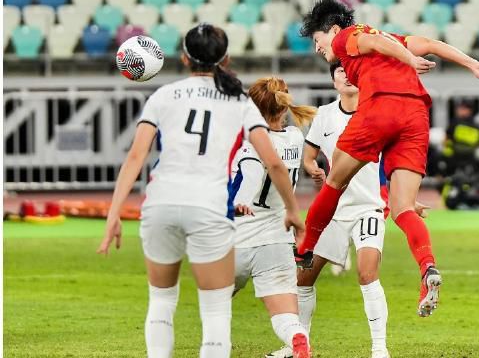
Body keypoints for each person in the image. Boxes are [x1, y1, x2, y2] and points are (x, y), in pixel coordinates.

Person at [97, 23, 304, 358]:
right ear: (226, 58)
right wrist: (293, 210)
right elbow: (275, 164)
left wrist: (114, 213)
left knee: (162, 301)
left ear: (183, 58)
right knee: (215, 310)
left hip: (161, 203)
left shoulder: (163, 96)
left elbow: (135, 157)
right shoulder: (238, 100)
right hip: (208, 206)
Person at [295, 0, 479, 317]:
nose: (318, 47)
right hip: (416, 116)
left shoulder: (348, 37)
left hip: (381, 107)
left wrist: (408, 59)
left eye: (317, 39)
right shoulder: (396, 37)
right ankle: (428, 267)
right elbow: (431, 43)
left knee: (335, 179)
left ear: (332, 29)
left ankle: (305, 249)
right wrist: (473, 64)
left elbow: (373, 41)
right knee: (403, 208)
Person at [270, 62, 391, 358]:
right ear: (333, 81)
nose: (346, 75)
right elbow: (309, 157)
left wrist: (405, 198)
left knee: (367, 273)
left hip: (368, 208)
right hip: (333, 211)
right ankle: (298, 345)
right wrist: (313, 170)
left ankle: (379, 348)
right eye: (340, 72)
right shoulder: (324, 115)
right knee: (304, 279)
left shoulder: (376, 111)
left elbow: (393, 161)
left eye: (351, 70)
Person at [230, 76, 316, 358]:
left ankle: (218, 346)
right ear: (283, 107)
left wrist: (242, 199)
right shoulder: (294, 137)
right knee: (285, 318)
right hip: (277, 241)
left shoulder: (252, 143)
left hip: (238, 241)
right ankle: (298, 339)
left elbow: (252, 174)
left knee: (214, 300)